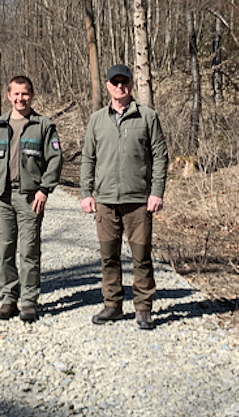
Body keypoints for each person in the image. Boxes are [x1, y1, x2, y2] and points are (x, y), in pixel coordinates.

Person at [80, 64, 168, 330]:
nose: (120, 87)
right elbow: (88, 158)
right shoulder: (97, 120)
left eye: (124, 82)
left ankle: (143, 308)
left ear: (131, 84)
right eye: (115, 82)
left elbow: (160, 157)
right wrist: (86, 193)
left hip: (138, 201)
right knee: (109, 256)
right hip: (106, 201)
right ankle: (112, 305)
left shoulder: (147, 117)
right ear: (107, 86)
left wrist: (156, 192)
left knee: (141, 257)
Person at [0, 76, 63, 323]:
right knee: (4, 249)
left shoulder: (43, 126)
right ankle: (8, 299)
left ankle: (28, 302)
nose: (20, 98)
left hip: (30, 198)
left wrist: (44, 190)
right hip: (2, 197)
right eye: (15, 94)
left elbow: (55, 160)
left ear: (32, 95)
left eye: (24, 94)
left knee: (28, 250)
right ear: (8, 95)